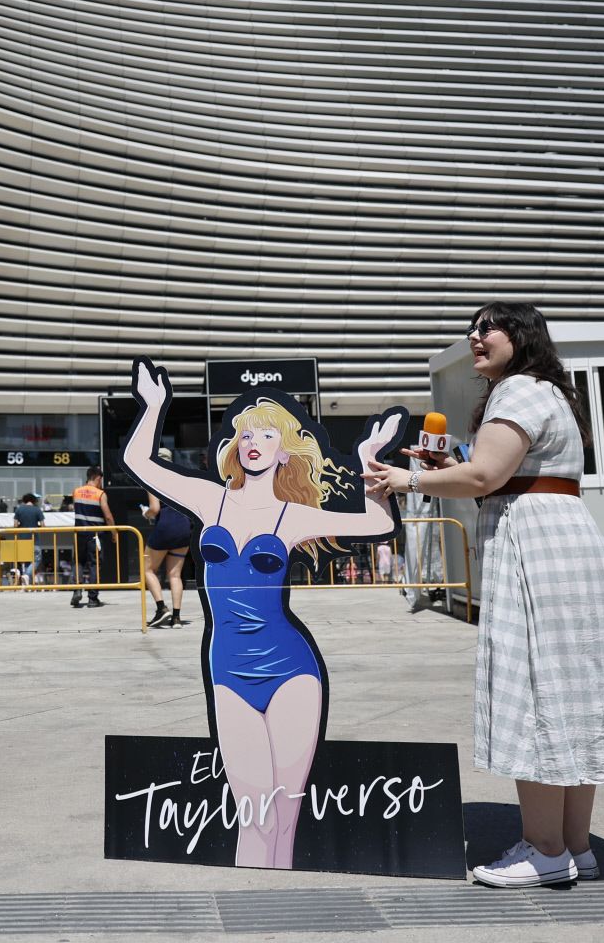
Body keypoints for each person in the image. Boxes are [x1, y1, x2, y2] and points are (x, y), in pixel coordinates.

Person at [367, 302, 604, 889]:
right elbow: (500, 471)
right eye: (473, 328)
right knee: (567, 694)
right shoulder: (550, 392)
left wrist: (406, 478)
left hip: (535, 549)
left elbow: (485, 479)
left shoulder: (517, 390)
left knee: (535, 692)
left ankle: (543, 850)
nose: (474, 337)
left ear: (522, 337)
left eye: (488, 327)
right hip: (571, 544)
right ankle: (576, 847)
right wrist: (451, 465)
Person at [123, 361, 400, 870]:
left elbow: (378, 522)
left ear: (283, 450)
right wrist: (155, 406)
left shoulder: (292, 516)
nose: (252, 440)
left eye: (266, 434)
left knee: (286, 819)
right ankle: (253, 908)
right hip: (228, 672)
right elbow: (139, 460)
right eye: (244, 433)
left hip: (291, 671)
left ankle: (284, 912)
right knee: (254, 819)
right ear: (234, 447)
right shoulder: (210, 499)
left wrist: (368, 459)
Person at [142, 449, 193, 629]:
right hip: (184, 526)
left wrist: (146, 514)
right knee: (175, 574)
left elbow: (155, 508)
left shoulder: (153, 478)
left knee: (147, 568)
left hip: (165, 525)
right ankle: (177, 618)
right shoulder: (181, 479)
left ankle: (161, 609)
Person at [69, 466, 115, 608]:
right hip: (95, 536)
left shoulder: (76, 492)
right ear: (98, 478)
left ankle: (77, 589)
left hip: (79, 534)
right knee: (95, 565)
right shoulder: (100, 494)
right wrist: (114, 533)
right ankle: (92, 599)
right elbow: (107, 516)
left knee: (78, 562)